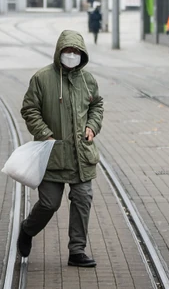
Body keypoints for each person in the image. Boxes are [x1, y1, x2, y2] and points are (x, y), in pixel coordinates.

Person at [17, 30, 104, 268]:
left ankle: (77, 251)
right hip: (52, 154)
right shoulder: (42, 78)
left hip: (81, 154)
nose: (72, 55)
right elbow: (29, 109)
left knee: (82, 198)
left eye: (76, 51)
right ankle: (27, 229)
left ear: (82, 54)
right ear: (59, 52)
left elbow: (97, 105)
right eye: (68, 51)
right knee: (49, 204)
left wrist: (92, 126)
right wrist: (44, 133)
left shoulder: (88, 80)